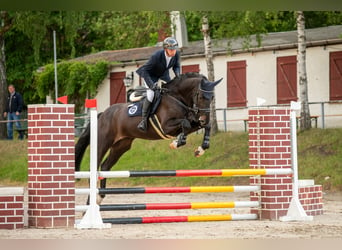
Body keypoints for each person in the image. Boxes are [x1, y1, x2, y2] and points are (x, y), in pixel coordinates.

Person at [136, 37, 181, 131]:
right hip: (150, 75)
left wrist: (178, 75)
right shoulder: (156, 56)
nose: (173, 52)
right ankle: (143, 121)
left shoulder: (176, 54)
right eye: (171, 50)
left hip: (163, 74)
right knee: (151, 94)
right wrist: (152, 85)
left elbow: (176, 66)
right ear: (165, 49)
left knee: (173, 89)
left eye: (174, 49)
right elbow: (145, 71)